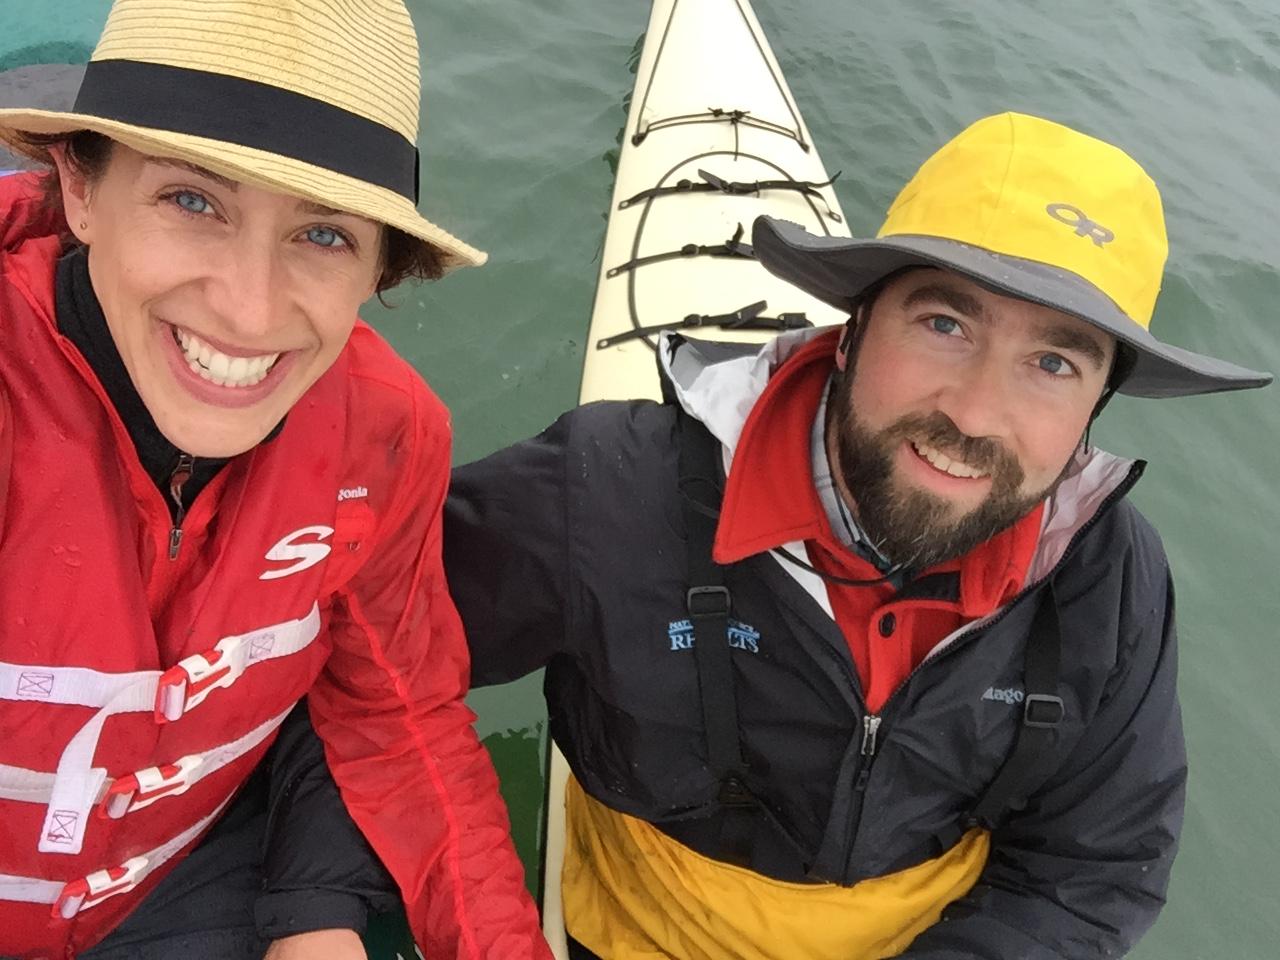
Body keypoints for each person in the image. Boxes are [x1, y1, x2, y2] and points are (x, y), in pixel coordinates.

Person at [442, 113, 1273, 958]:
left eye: (1054, 364)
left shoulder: (1113, 578)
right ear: (850, 335)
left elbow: (1092, 872)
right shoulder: (608, 491)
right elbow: (364, 676)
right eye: (945, 323)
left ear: (1092, 414)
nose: (976, 413)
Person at [0, 2, 550, 959]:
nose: (249, 309)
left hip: (171, 886)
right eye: (193, 200)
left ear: (381, 264)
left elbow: (396, 710)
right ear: (80, 189)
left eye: (324, 235)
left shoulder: (386, 434)